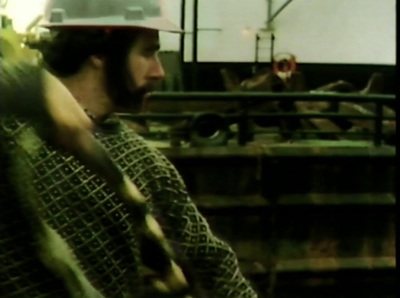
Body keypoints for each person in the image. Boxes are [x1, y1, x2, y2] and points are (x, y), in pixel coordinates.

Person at [0, 0, 258, 297]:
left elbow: (213, 265)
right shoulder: (10, 133)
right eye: (148, 52)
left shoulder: (145, 163)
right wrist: (26, 87)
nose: (160, 71)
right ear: (99, 50)